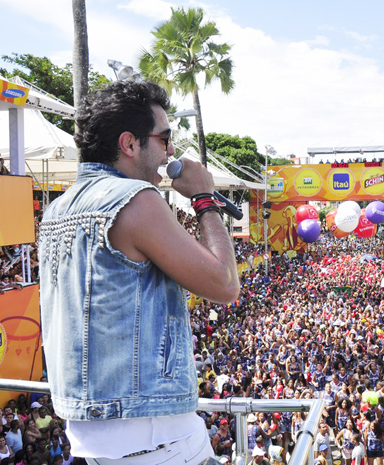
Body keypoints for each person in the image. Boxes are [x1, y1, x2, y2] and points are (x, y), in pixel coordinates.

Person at [38, 80, 240, 463]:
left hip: (88, 440)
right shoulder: (135, 200)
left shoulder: (55, 210)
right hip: (156, 438)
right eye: (164, 138)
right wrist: (204, 198)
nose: (171, 151)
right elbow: (225, 284)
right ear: (130, 144)